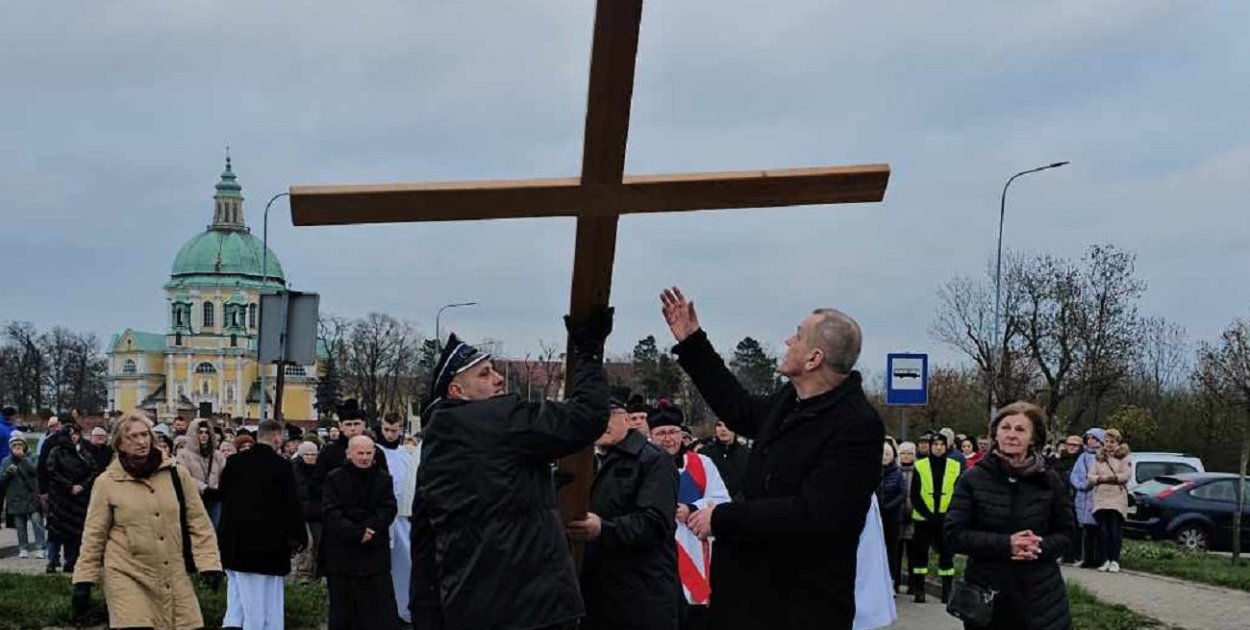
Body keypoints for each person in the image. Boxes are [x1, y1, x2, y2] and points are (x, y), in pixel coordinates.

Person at [659, 288, 884, 630]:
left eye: (797, 335)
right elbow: (739, 408)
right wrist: (692, 342)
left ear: (814, 359)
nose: (788, 340)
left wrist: (723, 517)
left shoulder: (856, 425)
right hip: (746, 596)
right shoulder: (790, 402)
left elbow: (815, 513)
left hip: (799, 605)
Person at [411, 309, 612, 630]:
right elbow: (587, 417)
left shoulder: (436, 444)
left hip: (471, 607)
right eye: (484, 374)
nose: (498, 378)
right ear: (456, 391)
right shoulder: (497, 418)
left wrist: (538, 485)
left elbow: (428, 538)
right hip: (529, 605)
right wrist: (587, 352)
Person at [72, 412, 223, 629]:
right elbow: (94, 534)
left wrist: (209, 564)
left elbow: (198, 522)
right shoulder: (106, 483)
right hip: (126, 572)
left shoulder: (176, 474)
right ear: (119, 443)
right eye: (132, 437)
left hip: (172, 570)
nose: (141, 441)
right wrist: (84, 580)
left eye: (144, 435)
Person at [945, 402, 1073, 629]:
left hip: (1042, 599)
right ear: (996, 433)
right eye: (1005, 428)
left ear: (1033, 438)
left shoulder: (1049, 481)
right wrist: (1007, 544)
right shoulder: (973, 479)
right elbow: (954, 535)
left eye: (1020, 429)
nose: (1011, 435)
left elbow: (1066, 534)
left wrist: (1039, 545)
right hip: (989, 596)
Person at [570, 395, 679, 630]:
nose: (601, 422)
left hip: (640, 592)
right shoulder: (580, 462)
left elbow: (655, 522)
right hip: (594, 592)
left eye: (609, 415)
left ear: (628, 419)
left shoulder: (654, 460)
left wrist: (604, 529)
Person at [218, 419, 307, 630]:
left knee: (237, 604)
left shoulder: (234, 463)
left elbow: (223, 497)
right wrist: (299, 535)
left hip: (236, 545)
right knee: (265, 607)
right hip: (269, 547)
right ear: (277, 437)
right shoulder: (282, 466)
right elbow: (291, 505)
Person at [648, 402, 729, 630]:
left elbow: (722, 500)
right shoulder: (640, 464)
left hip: (693, 549)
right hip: (655, 554)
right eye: (661, 433)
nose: (668, 438)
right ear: (651, 435)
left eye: (673, 432)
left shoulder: (701, 463)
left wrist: (692, 508)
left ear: (682, 434)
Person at [323, 435, 399, 630]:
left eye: (368, 453)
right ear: (349, 454)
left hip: (374, 555)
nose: (364, 458)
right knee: (343, 613)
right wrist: (356, 532)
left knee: (377, 612)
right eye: (360, 453)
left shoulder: (383, 478)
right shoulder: (334, 478)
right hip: (343, 556)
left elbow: (388, 508)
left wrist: (370, 528)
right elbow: (331, 512)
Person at [908, 430, 961, 603]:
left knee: (946, 554)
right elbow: (914, 494)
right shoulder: (920, 465)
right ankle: (919, 590)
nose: (938, 448)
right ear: (930, 447)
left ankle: (946, 591)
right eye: (935, 445)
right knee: (920, 554)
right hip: (924, 519)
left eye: (941, 445)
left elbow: (959, 493)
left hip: (946, 518)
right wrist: (928, 514)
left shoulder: (955, 465)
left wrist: (948, 513)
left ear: (947, 447)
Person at [378, 411, 419, 627]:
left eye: (395, 430)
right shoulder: (375, 452)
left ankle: (404, 609)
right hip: (383, 517)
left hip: (403, 517)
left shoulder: (406, 454)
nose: (391, 434)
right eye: (387, 430)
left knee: (406, 564)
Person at [46, 424, 96, 575]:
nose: (74, 437)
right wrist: (69, 486)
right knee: (55, 532)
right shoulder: (56, 452)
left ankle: (71, 561)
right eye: (71, 434)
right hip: (60, 497)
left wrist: (82, 485)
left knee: (74, 532)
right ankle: (52, 560)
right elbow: (51, 471)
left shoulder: (84, 453)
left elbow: (93, 471)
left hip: (78, 499)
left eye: (76, 434)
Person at [1089, 428, 1130, 573]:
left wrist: (1110, 478)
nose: (1109, 445)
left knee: (1114, 529)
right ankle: (1104, 559)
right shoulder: (1099, 457)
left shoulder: (1124, 457)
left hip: (1116, 497)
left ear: (1118, 443)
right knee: (1103, 530)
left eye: (1112, 442)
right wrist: (1099, 479)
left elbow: (1125, 475)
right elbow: (1091, 476)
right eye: (1106, 441)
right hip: (1101, 497)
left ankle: (1115, 560)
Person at [1, 434, 46, 558]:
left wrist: (23, 458)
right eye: (14, 445)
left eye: (20, 445)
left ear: (25, 446)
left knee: (37, 523)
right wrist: (7, 473)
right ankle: (23, 548)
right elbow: (1, 481)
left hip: (31, 496)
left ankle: (40, 547)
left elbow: (35, 471)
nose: (17, 447)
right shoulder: (6, 461)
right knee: (20, 526)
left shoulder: (33, 458)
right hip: (15, 497)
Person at [178, 418, 226, 526]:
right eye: (200, 432)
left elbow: (224, 473)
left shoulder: (217, 455)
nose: (204, 435)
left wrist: (218, 487)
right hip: (194, 498)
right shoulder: (183, 455)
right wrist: (203, 488)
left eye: (206, 432)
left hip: (215, 498)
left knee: (214, 528)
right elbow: (184, 475)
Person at [1070, 428, 1105, 569]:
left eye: (1094, 438)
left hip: (1098, 496)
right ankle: (1086, 558)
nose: (1090, 441)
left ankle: (1099, 559)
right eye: (1088, 438)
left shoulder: (1103, 456)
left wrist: (1093, 482)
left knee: (1098, 531)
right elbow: (1075, 475)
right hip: (1083, 496)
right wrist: (1082, 485)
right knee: (1086, 530)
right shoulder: (1083, 457)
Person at [292, 440, 323, 582]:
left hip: (317, 513)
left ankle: (314, 575)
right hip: (300, 513)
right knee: (307, 544)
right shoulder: (294, 469)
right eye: (307, 454)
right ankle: (302, 576)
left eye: (313, 454)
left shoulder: (321, 470)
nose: (311, 457)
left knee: (318, 544)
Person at [1050, 434, 1083, 564]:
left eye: (1075, 445)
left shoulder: (1081, 459)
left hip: (1076, 496)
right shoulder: (1059, 460)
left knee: (1076, 527)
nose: (1071, 447)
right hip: (1060, 496)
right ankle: (1063, 553)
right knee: (1062, 526)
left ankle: (1075, 554)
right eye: (1069, 444)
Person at [878, 440, 906, 594]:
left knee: (892, 551)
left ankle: (892, 582)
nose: (884, 457)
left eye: (888, 454)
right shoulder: (872, 471)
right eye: (882, 453)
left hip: (892, 518)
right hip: (876, 518)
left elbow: (902, 494)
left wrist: (888, 507)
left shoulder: (897, 473)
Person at [699, 419, 749, 501]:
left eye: (728, 425)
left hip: (739, 507)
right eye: (719, 425)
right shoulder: (704, 453)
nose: (723, 429)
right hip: (710, 507)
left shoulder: (747, 454)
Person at [896, 441, 917, 589]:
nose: (906, 456)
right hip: (896, 518)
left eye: (910, 453)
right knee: (896, 553)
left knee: (913, 553)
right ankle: (895, 581)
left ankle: (913, 583)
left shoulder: (918, 471)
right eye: (903, 453)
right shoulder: (894, 472)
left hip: (914, 517)